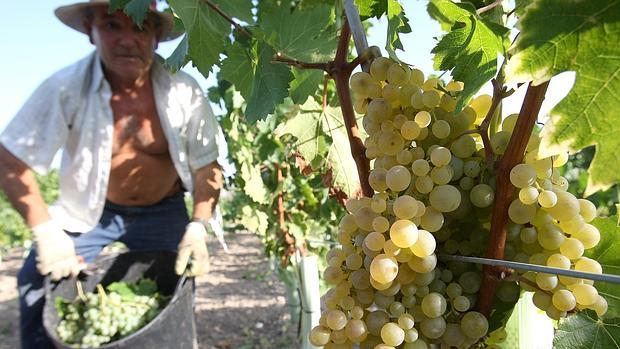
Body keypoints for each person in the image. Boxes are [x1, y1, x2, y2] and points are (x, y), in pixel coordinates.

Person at [0, 1, 222, 348]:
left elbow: (207, 166)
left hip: (163, 210)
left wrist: (197, 226)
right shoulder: (64, 88)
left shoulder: (184, 90)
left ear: (158, 36)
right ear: (91, 31)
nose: (127, 39)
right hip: (91, 211)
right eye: (112, 26)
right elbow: (10, 160)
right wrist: (44, 230)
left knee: (176, 287)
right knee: (35, 280)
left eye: (139, 27)